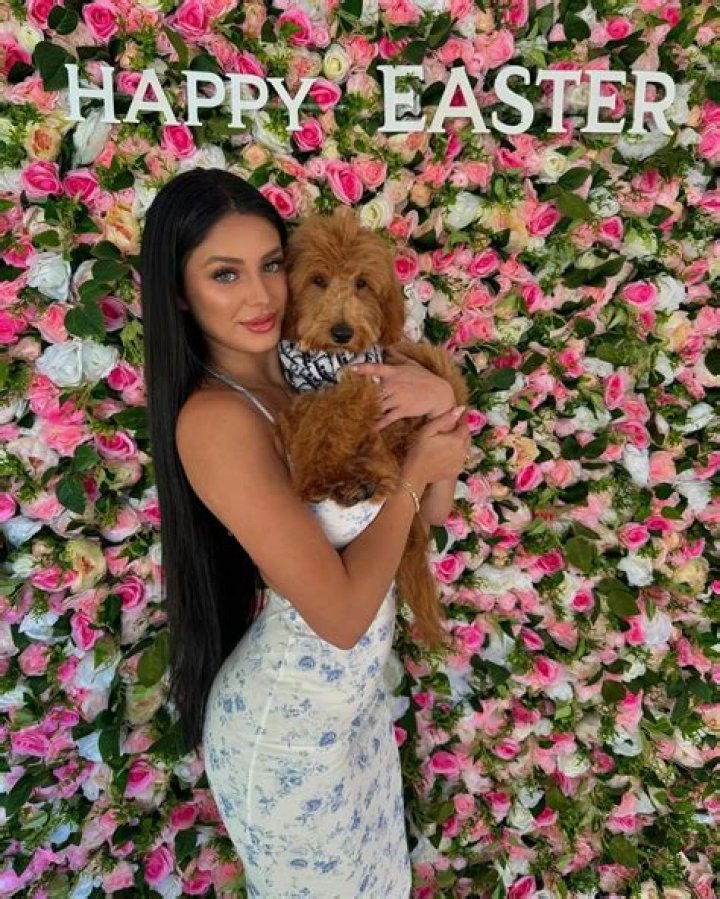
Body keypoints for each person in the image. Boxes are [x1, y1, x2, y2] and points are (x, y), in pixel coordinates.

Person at [140, 167, 470, 897]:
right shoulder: (217, 419)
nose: (260, 296)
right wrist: (416, 470)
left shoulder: (314, 375)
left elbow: (431, 515)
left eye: (270, 266)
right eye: (225, 274)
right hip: (285, 731)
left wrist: (441, 401)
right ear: (180, 292)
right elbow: (342, 616)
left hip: (355, 710)